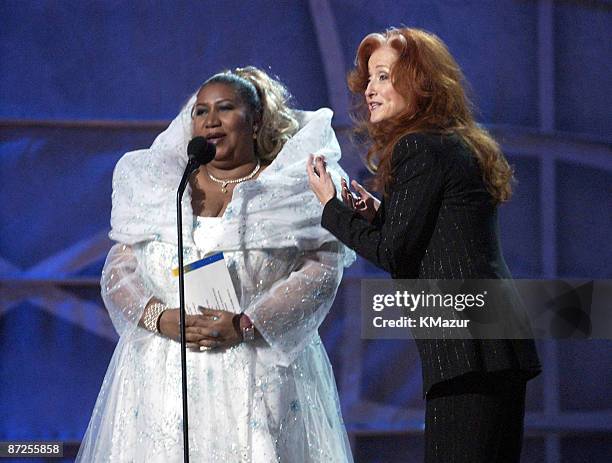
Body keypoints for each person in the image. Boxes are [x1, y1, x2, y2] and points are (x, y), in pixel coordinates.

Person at [77, 66, 355, 462]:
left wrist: (248, 323)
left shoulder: (292, 188)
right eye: (200, 111)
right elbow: (119, 270)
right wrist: (158, 316)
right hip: (164, 376)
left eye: (225, 109)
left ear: (255, 121)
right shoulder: (163, 189)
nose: (210, 120)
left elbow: (323, 268)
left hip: (259, 373)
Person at [307, 28, 541, 462]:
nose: (369, 91)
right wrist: (378, 214)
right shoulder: (453, 143)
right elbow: (442, 233)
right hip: (494, 343)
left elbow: (396, 253)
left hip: (467, 347)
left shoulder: (417, 147)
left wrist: (330, 206)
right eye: (369, 79)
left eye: (382, 77)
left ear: (417, 81)